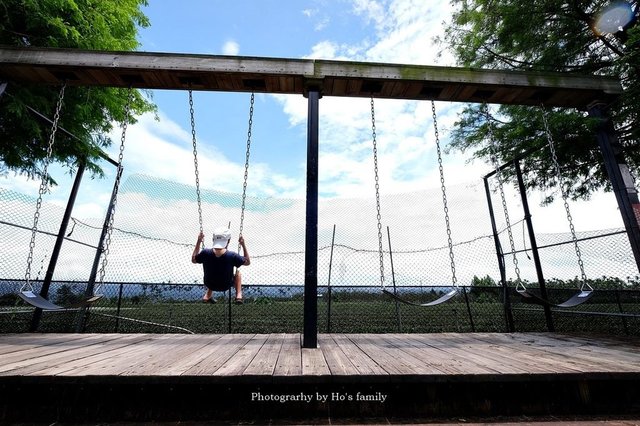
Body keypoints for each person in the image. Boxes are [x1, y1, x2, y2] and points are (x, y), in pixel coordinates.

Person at [191, 228, 250, 304]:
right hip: (226, 285)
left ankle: (207, 296)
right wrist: (243, 245)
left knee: (213, 270)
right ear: (228, 241)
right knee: (238, 273)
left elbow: (193, 259)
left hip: (209, 283)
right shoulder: (232, 255)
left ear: (213, 239)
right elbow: (247, 262)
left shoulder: (205, 253)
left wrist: (199, 241)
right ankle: (239, 295)